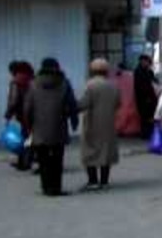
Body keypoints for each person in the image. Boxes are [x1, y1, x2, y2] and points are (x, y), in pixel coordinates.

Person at [23, 58, 79, 196]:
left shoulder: (33, 84)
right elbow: (72, 104)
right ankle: (56, 188)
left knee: (43, 160)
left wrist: (29, 126)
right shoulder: (65, 83)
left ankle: (46, 187)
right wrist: (74, 122)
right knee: (57, 160)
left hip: (39, 129)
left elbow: (27, 108)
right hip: (59, 127)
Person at [78, 58, 121, 190]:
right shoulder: (112, 85)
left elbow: (84, 104)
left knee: (89, 150)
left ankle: (92, 181)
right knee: (105, 151)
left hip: (91, 122)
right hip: (108, 123)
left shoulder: (90, 85)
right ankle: (104, 181)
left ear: (92, 70)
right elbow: (118, 103)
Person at [4, 60, 35, 170]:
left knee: (25, 139)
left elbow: (14, 100)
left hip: (23, 115)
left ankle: (24, 162)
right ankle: (28, 160)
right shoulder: (33, 79)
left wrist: (8, 115)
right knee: (31, 138)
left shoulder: (16, 82)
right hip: (35, 113)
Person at [134, 54, 158, 139]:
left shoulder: (148, 71)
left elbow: (154, 81)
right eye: (146, 61)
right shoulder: (138, 72)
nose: (147, 63)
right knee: (145, 117)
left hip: (149, 98)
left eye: (148, 62)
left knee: (149, 116)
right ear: (142, 61)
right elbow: (141, 86)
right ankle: (145, 134)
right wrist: (148, 97)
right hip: (144, 98)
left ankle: (148, 133)